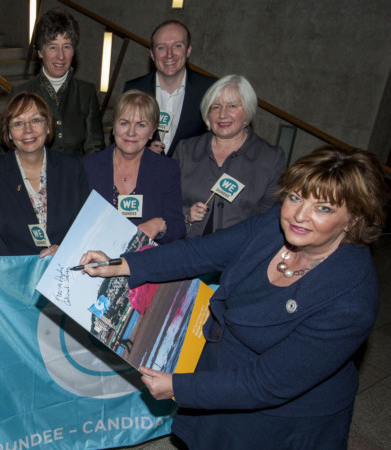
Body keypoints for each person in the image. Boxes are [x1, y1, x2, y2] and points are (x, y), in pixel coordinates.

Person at [78, 146, 388, 449]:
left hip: (279, 418)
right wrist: (123, 264)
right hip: (222, 378)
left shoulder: (350, 301)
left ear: (353, 220)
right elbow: (199, 252)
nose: (299, 216)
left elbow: (268, 383)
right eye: (295, 197)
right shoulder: (272, 225)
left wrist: (178, 386)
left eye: (323, 208)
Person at [0, 92, 90, 258]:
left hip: (63, 272)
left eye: (35, 120)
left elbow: (86, 225)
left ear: (48, 126)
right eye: (18, 123)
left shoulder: (72, 167)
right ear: (9, 134)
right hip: (14, 276)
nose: (28, 130)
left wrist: (66, 249)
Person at [174, 75, 285, 238]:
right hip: (183, 249)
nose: (222, 115)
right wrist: (186, 216)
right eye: (216, 107)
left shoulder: (270, 158)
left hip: (237, 255)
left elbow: (271, 218)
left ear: (247, 111)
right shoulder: (186, 150)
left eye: (232, 106)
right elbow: (165, 203)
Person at [83, 90, 185, 244]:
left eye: (141, 125)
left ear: (152, 132)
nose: (131, 132)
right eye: (124, 123)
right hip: (95, 258)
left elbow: (178, 228)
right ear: (114, 125)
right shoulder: (87, 167)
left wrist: (160, 224)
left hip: (146, 262)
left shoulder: (166, 169)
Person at [11, 7, 104, 156]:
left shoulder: (86, 92)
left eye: (66, 47)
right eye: (53, 47)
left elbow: (95, 149)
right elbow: (12, 150)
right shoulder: (22, 93)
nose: (61, 56)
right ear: (40, 52)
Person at [123, 19, 216, 156]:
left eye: (177, 46)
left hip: (189, 175)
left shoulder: (209, 89)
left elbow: (218, 140)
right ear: (152, 54)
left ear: (188, 50)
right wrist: (140, 152)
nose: (169, 54)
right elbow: (118, 138)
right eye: (161, 47)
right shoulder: (134, 89)